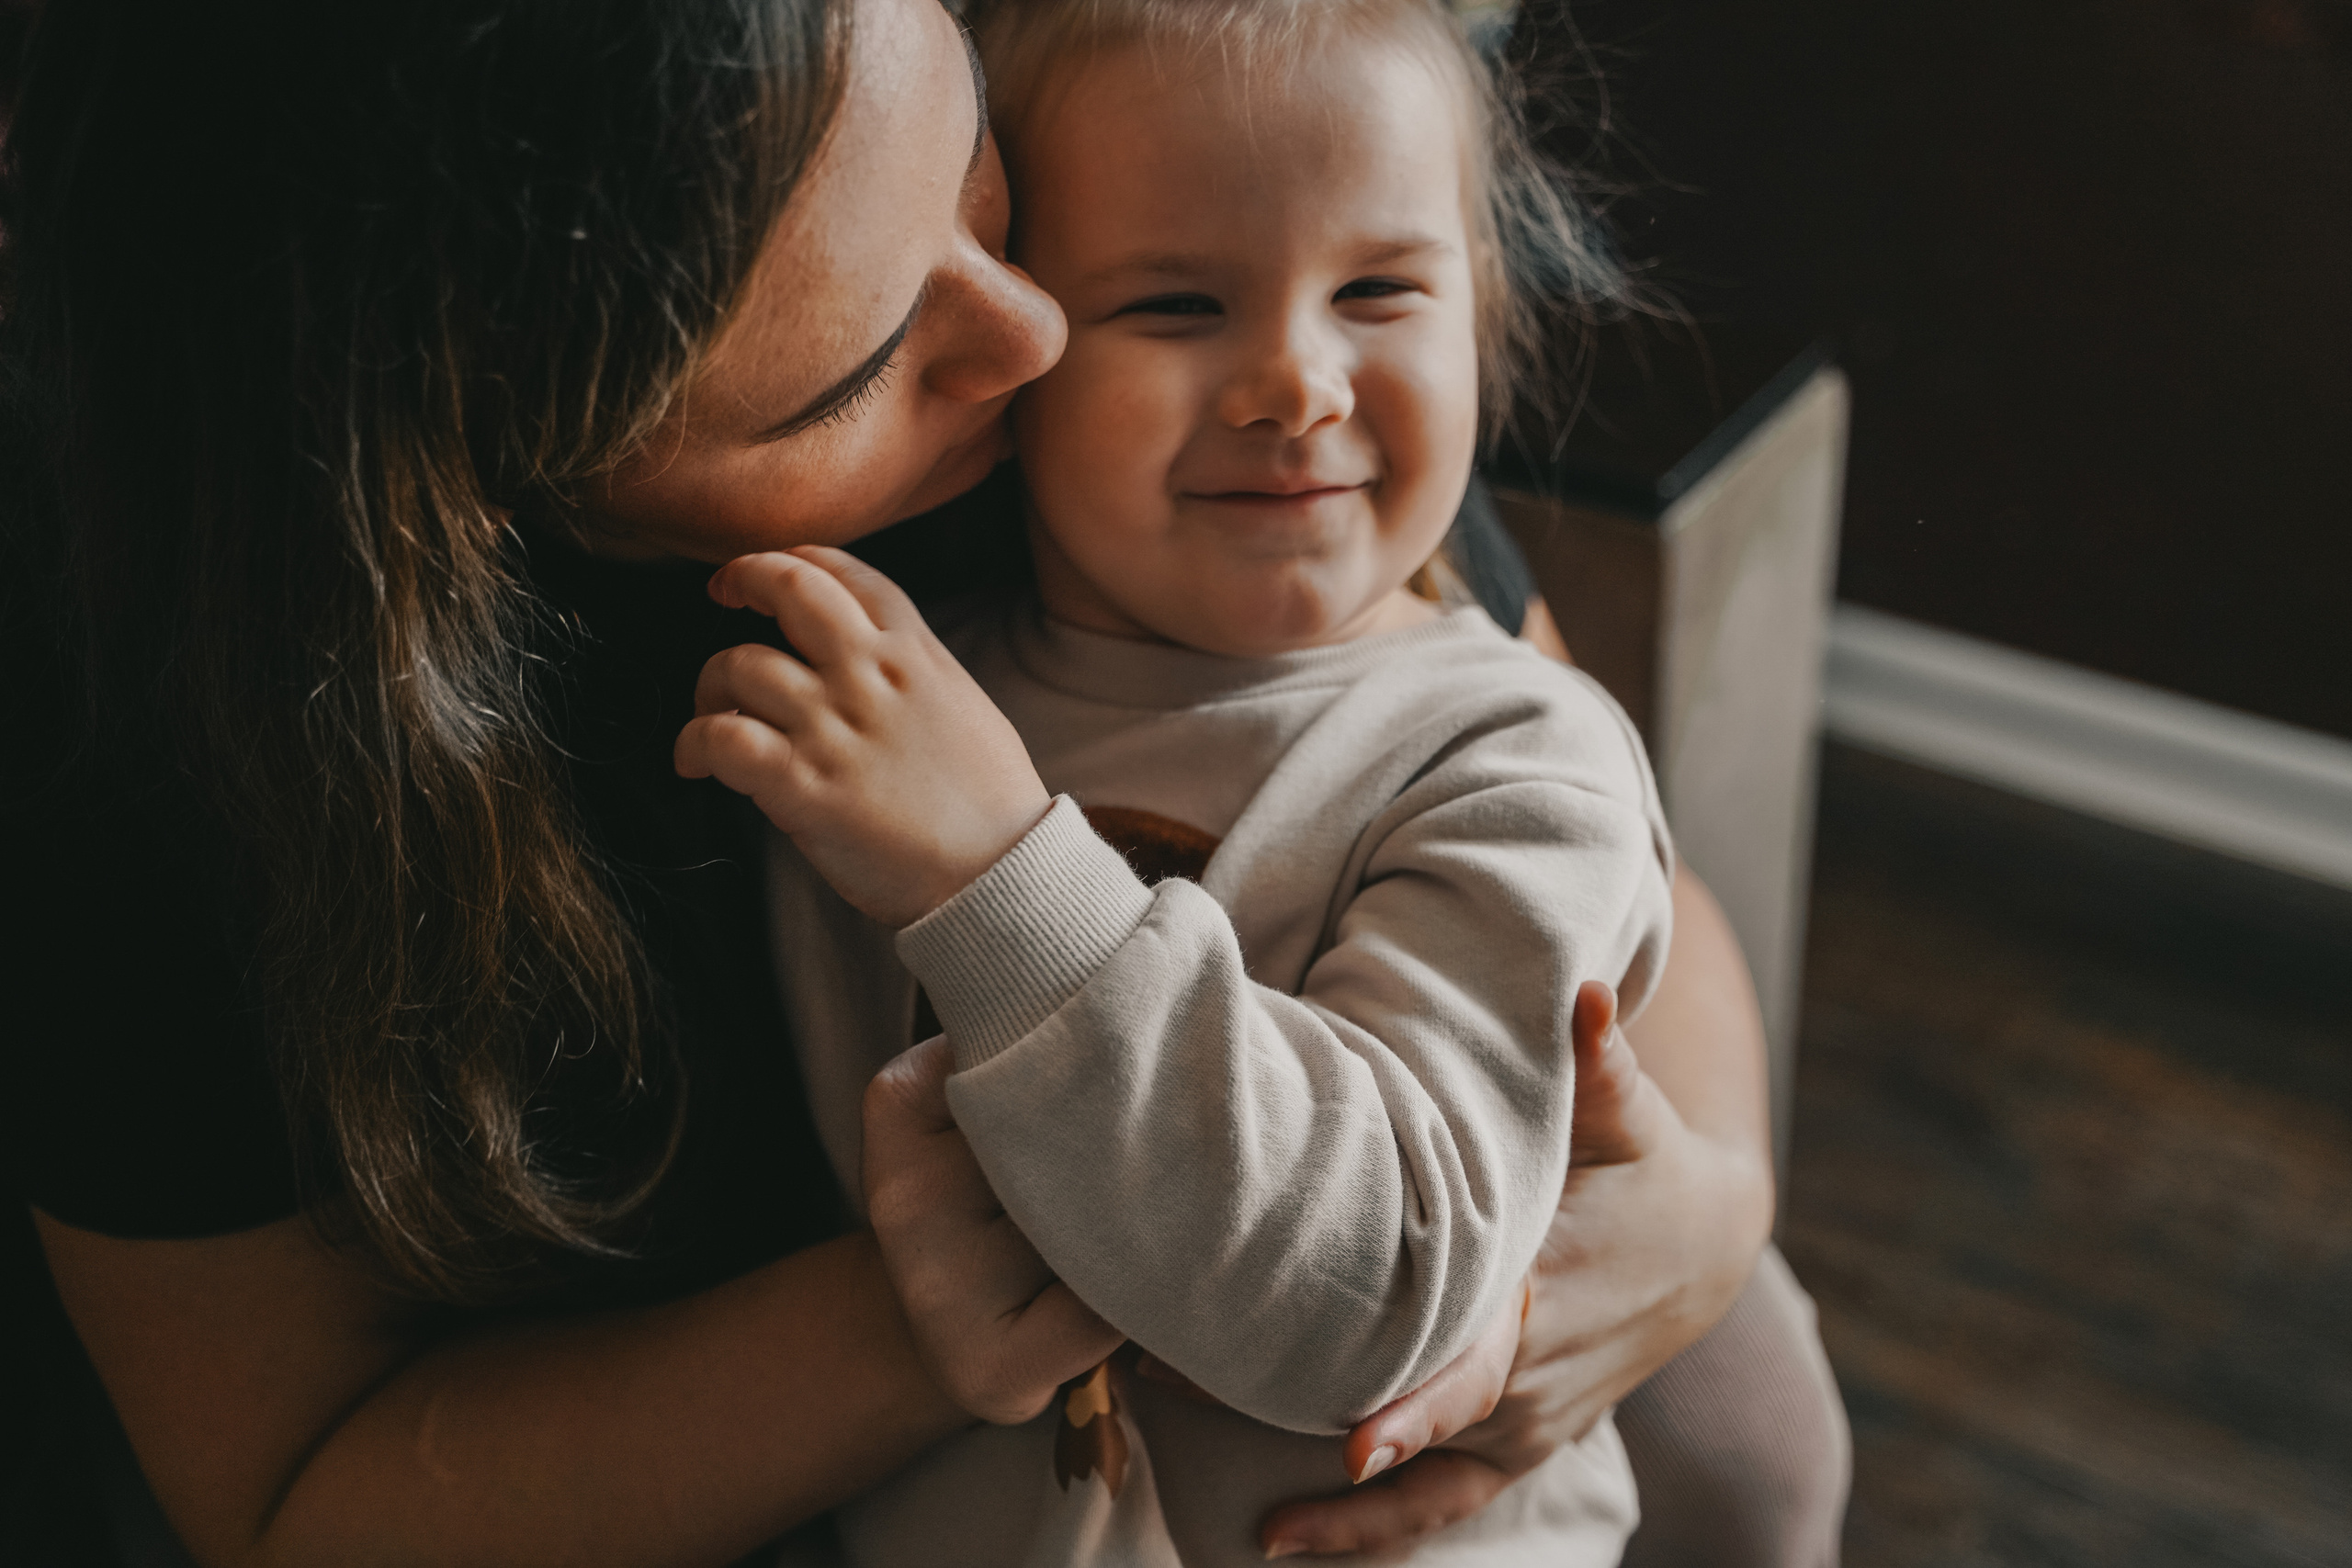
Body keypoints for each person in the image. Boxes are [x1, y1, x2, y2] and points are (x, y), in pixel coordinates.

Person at [0, 2, 1840, 1565]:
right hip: (728, 1389)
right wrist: (908, 1321)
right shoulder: (146, 708)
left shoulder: (1156, 244)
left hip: (1334, 1244)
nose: (1031, 336)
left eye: (983, 186)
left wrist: (1699, 1208)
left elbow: (1578, 836)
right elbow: (296, 1488)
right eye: (861, 368)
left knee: (1754, 1415)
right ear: (491, 482)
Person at [685, 0, 1671, 1561]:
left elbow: (1386, 1308)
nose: (1297, 381)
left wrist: (998, 878)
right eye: (1175, 304)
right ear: (1008, 349)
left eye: (1379, 289)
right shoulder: (879, 699)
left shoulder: (1522, 765)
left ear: (1479, 314)